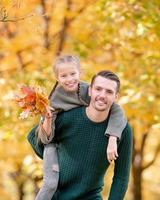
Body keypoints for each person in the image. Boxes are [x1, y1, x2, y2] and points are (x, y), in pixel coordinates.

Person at [28, 70, 133, 200]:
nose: (102, 95)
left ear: (116, 97)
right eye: (98, 89)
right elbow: (33, 137)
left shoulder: (122, 131)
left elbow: (121, 177)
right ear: (90, 91)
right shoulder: (69, 117)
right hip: (56, 196)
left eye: (109, 92)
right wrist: (54, 160)